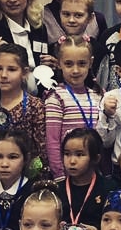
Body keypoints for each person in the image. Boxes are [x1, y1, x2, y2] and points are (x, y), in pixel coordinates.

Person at [0, 44, 46, 186]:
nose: (4, 75)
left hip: (29, 182)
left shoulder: (35, 106)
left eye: (11, 69)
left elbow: (42, 152)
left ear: (24, 73)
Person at [44, 37, 102, 176]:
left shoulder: (98, 96)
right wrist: (59, 176)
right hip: (67, 174)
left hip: (94, 172)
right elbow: (52, 142)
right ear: (59, 63)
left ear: (90, 62)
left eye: (82, 63)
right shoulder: (56, 98)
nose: (75, 70)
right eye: (69, 64)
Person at [54, 128, 114, 230]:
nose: (72, 161)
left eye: (79, 154)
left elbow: (117, 223)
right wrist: (54, 228)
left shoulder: (109, 189)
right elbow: (45, 222)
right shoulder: (56, 189)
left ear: (96, 158)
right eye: (67, 154)